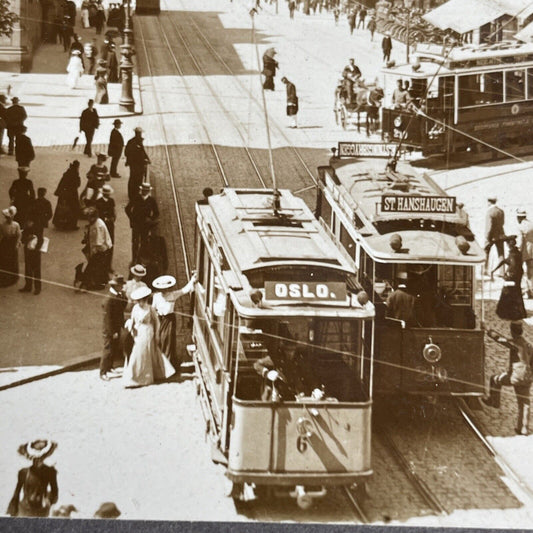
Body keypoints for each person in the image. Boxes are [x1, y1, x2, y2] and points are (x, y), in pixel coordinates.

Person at [483, 321, 532, 435]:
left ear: (512, 331)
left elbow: (500, 339)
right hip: (527, 377)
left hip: (515, 377)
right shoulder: (529, 345)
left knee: (495, 379)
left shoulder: (515, 343)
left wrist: (487, 330)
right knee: (524, 402)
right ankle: (523, 428)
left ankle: (494, 401)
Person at [122, 286, 176, 388]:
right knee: (138, 353)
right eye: (138, 301)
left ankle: (148, 376)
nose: (140, 303)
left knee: (148, 352)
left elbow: (157, 322)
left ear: (145, 299)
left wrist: (156, 335)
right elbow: (133, 320)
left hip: (148, 331)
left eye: (141, 301)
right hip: (138, 332)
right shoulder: (135, 308)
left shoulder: (150, 309)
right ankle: (134, 377)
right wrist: (132, 330)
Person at [152, 273, 196, 371]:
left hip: (170, 320)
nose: (164, 291)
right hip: (160, 320)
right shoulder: (156, 296)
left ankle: (169, 364)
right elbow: (153, 308)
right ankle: (161, 364)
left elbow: (185, 290)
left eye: (166, 288)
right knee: (161, 340)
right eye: (162, 289)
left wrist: (192, 280)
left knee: (168, 341)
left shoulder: (173, 294)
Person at [254, 340, 320, 401]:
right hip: (278, 395)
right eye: (287, 350)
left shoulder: (298, 360)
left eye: (292, 350)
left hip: (295, 395)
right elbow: (257, 364)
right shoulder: (276, 359)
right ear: (283, 350)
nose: (290, 353)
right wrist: (267, 373)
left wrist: (316, 389)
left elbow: (308, 375)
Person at [6, 440, 58, 517]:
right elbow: (17, 492)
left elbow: (55, 491)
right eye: (34, 459)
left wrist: (48, 502)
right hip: (24, 509)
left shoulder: (50, 472)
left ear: (44, 457)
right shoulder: (23, 472)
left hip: (42, 510)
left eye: (40, 458)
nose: (37, 461)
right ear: (31, 458)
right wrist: (13, 510)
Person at [100, 275, 127, 380]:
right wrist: (113, 332)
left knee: (114, 348)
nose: (122, 288)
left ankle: (109, 367)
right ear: (116, 286)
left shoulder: (118, 295)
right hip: (110, 330)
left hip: (116, 327)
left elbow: (122, 306)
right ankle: (103, 372)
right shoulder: (109, 300)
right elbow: (108, 319)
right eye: (121, 286)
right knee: (108, 350)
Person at [493, 236, 527, 321]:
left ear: (509, 244)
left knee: (508, 292)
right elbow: (505, 261)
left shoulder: (513, 254)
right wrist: (495, 269)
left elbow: (513, 265)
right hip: (518, 276)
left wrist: (507, 276)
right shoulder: (517, 252)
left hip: (513, 277)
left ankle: (509, 314)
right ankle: (520, 312)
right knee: (517, 293)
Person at [125, 182, 159, 261]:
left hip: (145, 225)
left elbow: (156, 213)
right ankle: (134, 258)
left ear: (148, 191)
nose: (145, 191)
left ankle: (141, 258)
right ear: (141, 190)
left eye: (146, 190)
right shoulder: (136, 198)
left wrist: (151, 219)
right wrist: (132, 219)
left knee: (144, 242)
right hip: (136, 224)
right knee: (135, 242)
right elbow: (127, 209)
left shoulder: (151, 200)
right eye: (144, 190)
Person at [81, 207, 112, 290]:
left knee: (94, 266)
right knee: (100, 266)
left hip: (100, 249)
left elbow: (98, 242)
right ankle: (103, 280)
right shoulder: (96, 222)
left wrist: (93, 252)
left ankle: (91, 283)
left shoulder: (97, 226)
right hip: (101, 248)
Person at [53, 160, 81, 230]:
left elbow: (62, 183)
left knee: (62, 207)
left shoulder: (67, 173)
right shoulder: (75, 174)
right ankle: (71, 225)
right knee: (74, 208)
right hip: (72, 194)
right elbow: (77, 184)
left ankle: (59, 223)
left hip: (64, 193)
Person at [124, 127, 151, 200]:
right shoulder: (132, 142)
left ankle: (136, 193)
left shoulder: (139, 141)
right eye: (139, 133)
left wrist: (147, 158)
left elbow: (142, 151)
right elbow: (127, 152)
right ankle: (132, 194)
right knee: (134, 179)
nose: (140, 134)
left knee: (138, 179)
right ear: (136, 133)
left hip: (140, 164)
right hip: (135, 164)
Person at [19, 218, 43, 295]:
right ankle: (29, 286)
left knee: (35, 268)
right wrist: (27, 239)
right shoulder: (27, 228)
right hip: (29, 250)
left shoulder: (38, 227)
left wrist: (36, 247)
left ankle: (37, 287)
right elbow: (22, 238)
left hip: (35, 251)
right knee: (28, 268)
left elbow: (40, 240)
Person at [0, 206, 22, 287]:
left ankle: (13, 278)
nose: (9, 219)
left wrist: (17, 244)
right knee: (4, 260)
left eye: (11, 218)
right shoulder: (2, 225)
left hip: (12, 244)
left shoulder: (16, 225)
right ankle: (4, 278)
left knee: (12, 261)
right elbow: (1, 235)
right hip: (5, 244)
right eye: (8, 218)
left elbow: (19, 235)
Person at [485, 196, 505, 279]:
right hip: (500, 234)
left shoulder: (489, 212)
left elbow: (489, 226)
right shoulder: (501, 211)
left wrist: (487, 236)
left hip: (491, 236)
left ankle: (485, 270)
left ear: (489, 202)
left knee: (486, 251)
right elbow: (503, 223)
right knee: (501, 253)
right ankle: (502, 272)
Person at [517, 208, 533, 299]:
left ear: (519, 217)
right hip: (532, 251)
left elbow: (520, 241)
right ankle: (531, 290)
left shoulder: (521, 226)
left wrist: (518, 251)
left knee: (520, 271)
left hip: (524, 252)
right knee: (531, 272)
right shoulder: (531, 224)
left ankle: (526, 290)